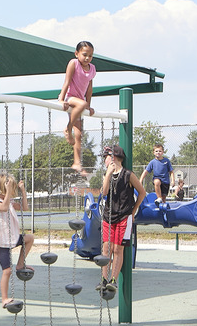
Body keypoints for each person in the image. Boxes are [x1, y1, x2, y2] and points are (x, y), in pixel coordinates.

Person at [97, 146, 140, 299]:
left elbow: (142, 192)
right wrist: (108, 174)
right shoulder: (107, 174)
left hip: (124, 216)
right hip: (109, 216)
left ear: (113, 158)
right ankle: (103, 278)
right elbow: (104, 192)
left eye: (106, 157)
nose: (104, 160)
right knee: (106, 247)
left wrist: (133, 211)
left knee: (117, 249)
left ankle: (113, 280)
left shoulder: (128, 175)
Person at [56, 41, 96, 174]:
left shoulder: (92, 69)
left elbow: (89, 89)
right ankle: (68, 128)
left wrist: (89, 105)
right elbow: (67, 81)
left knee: (78, 135)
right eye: (84, 55)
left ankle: (77, 163)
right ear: (77, 53)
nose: (87, 58)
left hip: (80, 101)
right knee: (82, 104)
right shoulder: (73, 63)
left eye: (90, 56)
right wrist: (61, 99)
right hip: (70, 98)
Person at [0, 173, 35, 311]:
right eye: (10, 187)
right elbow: (4, 208)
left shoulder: (10, 201)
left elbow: (25, 207)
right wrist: (7, 192)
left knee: (29, 238)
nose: (12, 190)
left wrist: (23, 191)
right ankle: (4, 298)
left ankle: (20, 264)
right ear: (3, 188)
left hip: (12, 238)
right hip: (1, 243)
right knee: (7, 271)